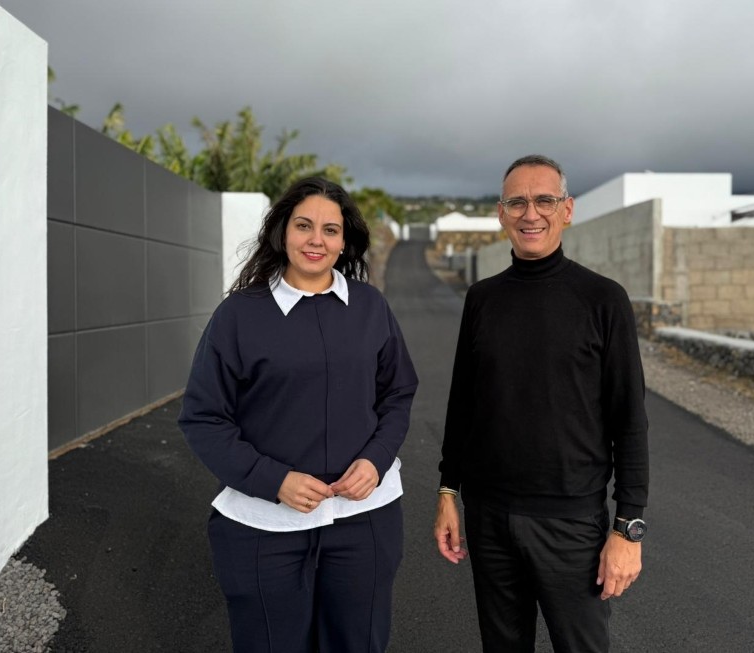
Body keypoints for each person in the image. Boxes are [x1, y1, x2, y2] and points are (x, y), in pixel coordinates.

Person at [179, 177, 418, 653]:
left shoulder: (370, 307)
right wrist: (274, 480)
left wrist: (374, 460)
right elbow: (204, 417)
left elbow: (397, 393)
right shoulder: (239, 315)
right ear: (282, 233)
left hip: (363, 519)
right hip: (265, 526)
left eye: (330, 230)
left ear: (344, 240)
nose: (316, 240)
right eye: (304, 225)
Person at [434, 154, 649, 652]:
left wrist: (628, 529)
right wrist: (448, 490)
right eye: (518, 202)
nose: (532, 213)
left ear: (567, 210)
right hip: (489, 517)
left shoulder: (603, 300)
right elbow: (463, 402)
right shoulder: (481, 300)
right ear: (501, 213)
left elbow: (630, 421)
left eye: (545, 200)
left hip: (571, 523)